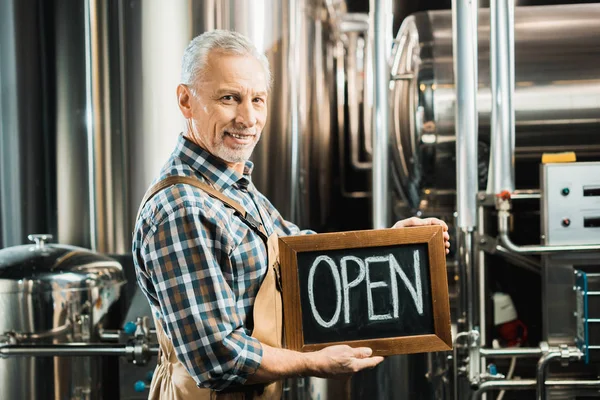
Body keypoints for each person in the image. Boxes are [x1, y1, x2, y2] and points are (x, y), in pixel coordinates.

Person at [132, 30, 450, 400]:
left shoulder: (230, 186)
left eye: (258, 100)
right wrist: (315, 363)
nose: (248, 118)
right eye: (229, 98)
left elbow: (300, 254)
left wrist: (393, 246)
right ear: (186, 101)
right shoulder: (183, 210)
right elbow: (217, 357)